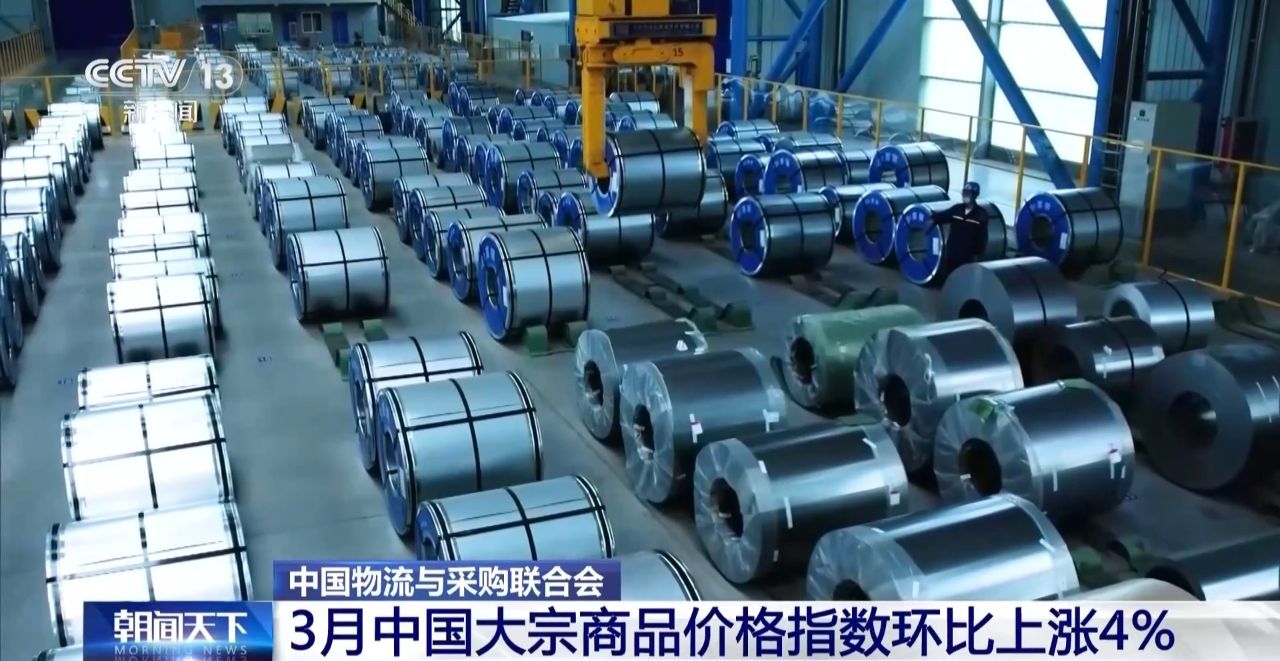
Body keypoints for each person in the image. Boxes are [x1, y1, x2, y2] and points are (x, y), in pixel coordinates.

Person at [935, 181, 991, 275]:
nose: (965, 195)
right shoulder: (957, 209)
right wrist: (932, 219)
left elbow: (982, 236)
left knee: (964, 277)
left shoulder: (981, 214)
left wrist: (979, 253)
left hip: (967, 255)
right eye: (964, 193)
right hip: (953, 252)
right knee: (949, 276)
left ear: (975, 196)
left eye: (968, 194)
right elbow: (943, 216)